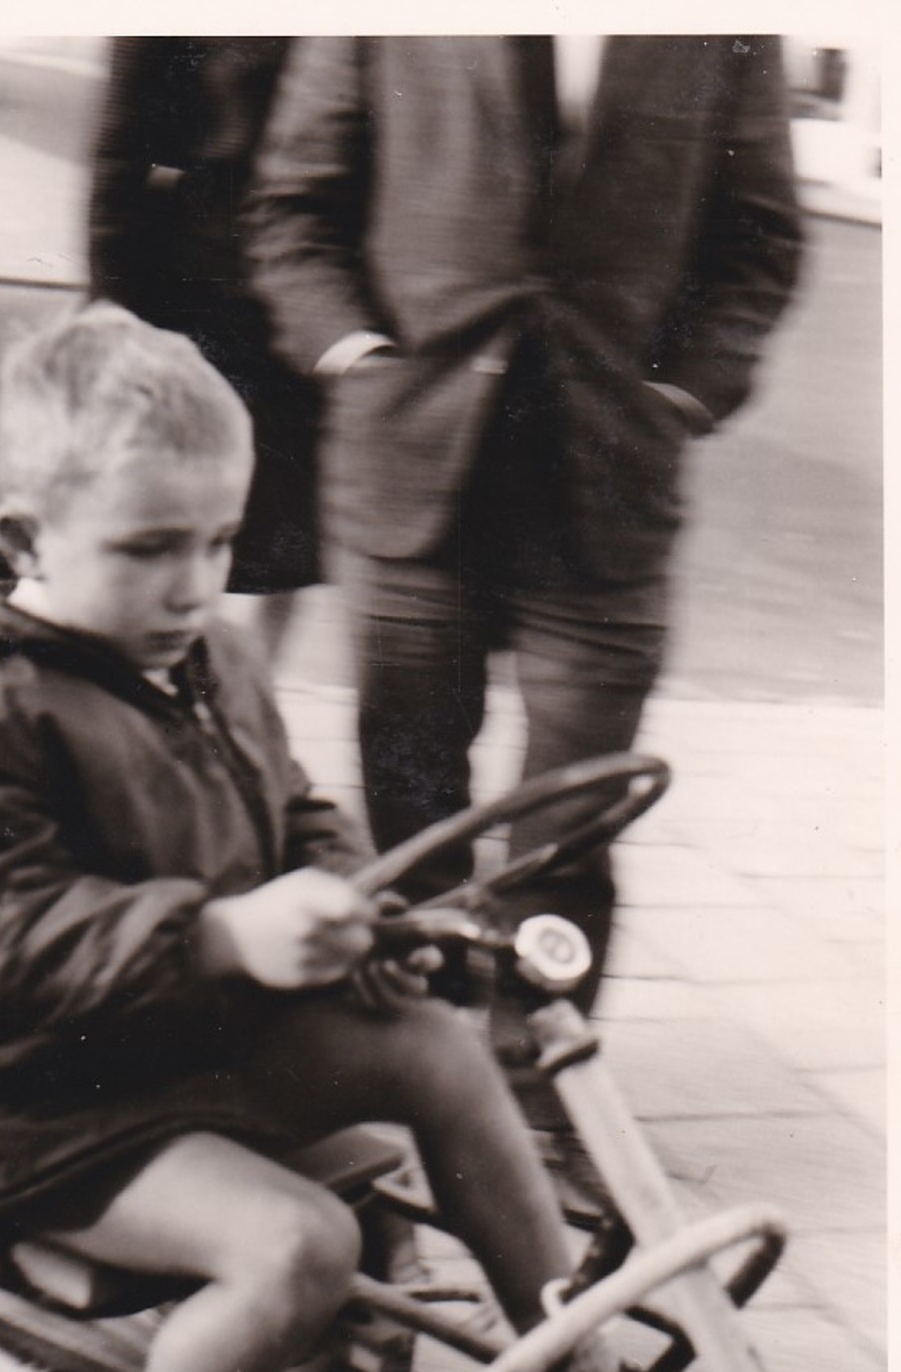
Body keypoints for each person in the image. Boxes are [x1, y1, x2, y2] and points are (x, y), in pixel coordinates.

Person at [0, 303, 767, 1372]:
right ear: (27, 539)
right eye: (149, 548)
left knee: (440, 1041)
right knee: (300, 1243)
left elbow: (294, 811)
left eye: (217, 542)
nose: (194, 586)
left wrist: (359, 907)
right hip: (44, 1105)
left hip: (195, 1044)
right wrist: (217, 935)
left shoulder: (204, 655)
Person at [247, 36, 803, 1038]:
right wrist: (357, 358)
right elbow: (293, 201)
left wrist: (681, 394)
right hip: (414, 463)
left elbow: (759, 237)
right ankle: (425, 1065)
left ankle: (539, 1093)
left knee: (571, 831)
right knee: (411, 815)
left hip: (606, 480)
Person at [87, 36, 316, 662]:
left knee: (285, 548)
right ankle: (161, 704)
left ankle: (248, 708)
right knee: (178, 523)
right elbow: (120, 156)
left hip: (317, 307)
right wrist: (111, 317)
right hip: (204, 302)